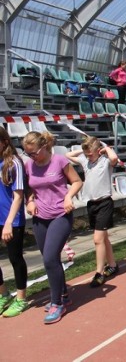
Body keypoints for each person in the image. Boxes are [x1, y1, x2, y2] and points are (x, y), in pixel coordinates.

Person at [23, 131, 83, 324]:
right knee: (50, 259)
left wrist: (68, 196)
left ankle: (57, 303)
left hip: (60, 215)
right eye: (27, 153)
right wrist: (30, 201)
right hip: (40, 217)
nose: (31, 157)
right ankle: (64, 293)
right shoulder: (29, 165)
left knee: (49, 259)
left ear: (43, 147)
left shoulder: (59, 162)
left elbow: (77, 181)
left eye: (33, 153)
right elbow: (29, 187)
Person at [66, 137, 120, 288]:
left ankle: (99, 273)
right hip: (92, 204)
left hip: (104, 203)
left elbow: (114, 157)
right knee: (103, 238)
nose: (88, 156)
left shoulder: (106, 161)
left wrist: (105, 147)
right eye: (86, 154)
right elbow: (68, 156)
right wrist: (84, 151)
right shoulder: (85, 161)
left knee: (98, 239)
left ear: (98, 151)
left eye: (90, 154)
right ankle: (113, 265)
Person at [0, 127, 29, 318]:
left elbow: (18, 196)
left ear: (4, 141)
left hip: (12, 220)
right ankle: (3, 294)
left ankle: (21, 298)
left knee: (15, 258)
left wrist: (9, 222)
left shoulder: (15, 163)